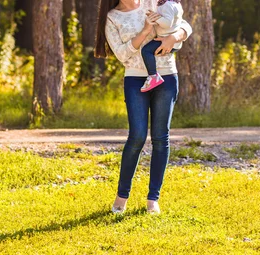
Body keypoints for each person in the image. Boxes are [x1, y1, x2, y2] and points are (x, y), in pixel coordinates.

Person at [95, 0, 192, 214]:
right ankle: (122, 197)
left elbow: (184, 24)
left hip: (166, 76)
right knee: (137, 136)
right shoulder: (113, 16)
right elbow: (121, 54)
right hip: (135, 79)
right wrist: (146, 30)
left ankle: (153, 199)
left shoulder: (152, 1)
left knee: (160, 137)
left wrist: (174, 37)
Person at [140, 0, 184, 92]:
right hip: (171, 40)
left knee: (146, 51)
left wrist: (156, 18)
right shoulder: (175, 4)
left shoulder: (167, 5)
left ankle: (153, 76)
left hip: (165, 40)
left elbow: (167, 23)